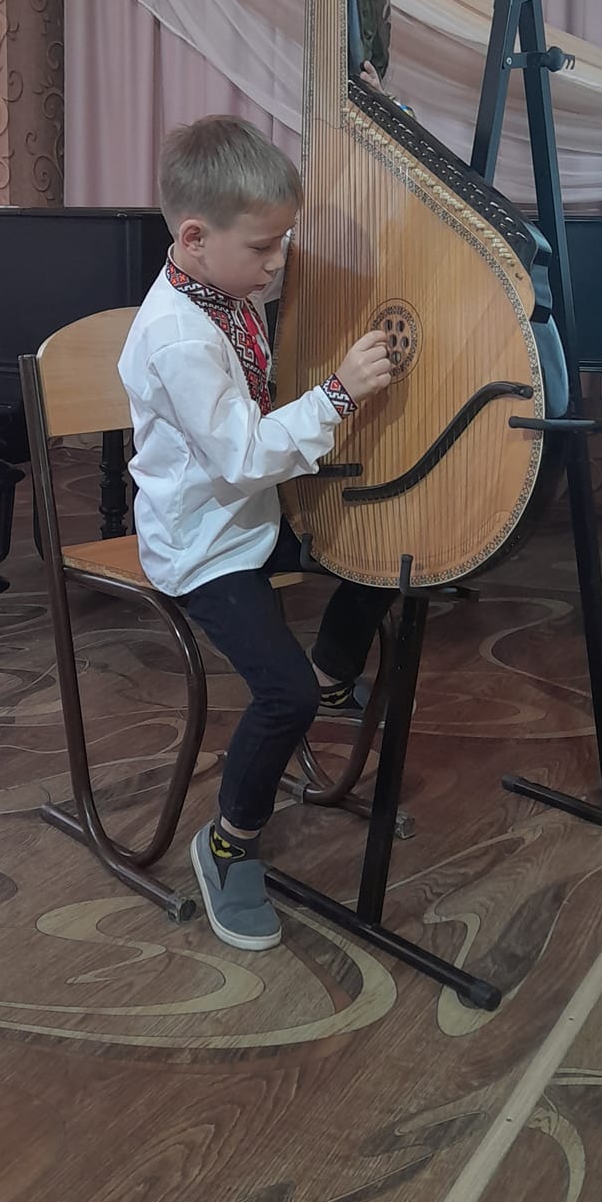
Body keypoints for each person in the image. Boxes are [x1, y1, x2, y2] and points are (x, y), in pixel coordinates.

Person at [118, 114, 396, 952]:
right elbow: (240, 457)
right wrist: (338, 394)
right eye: (265, 247)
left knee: (388, 550)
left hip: (253, 517)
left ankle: (334, 673)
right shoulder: (177, 335)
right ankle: (228, 842)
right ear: (193, 239)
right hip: (201, 546)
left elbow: (252, 444)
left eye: (284, 242)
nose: (278, 263)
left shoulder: (223, 283)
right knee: (285, 696)